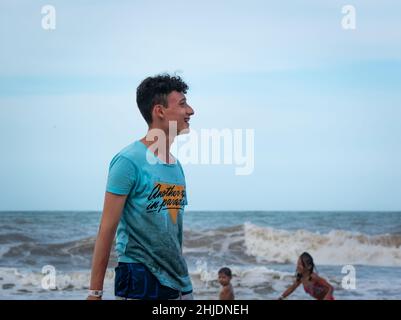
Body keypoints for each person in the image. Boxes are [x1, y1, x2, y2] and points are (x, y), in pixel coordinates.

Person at [87, 74, 195, 300]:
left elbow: (171, 232)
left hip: (178, 281)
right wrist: (95, 293)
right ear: (160, 111)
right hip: (139, 278)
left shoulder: (176, 166)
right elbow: (106, 229)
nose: (191, 111)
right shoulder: (128, 161)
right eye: (183, 104)